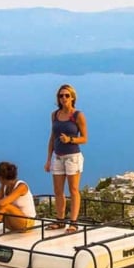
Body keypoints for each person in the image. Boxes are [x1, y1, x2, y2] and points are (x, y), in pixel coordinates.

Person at [45, 83, 87, 224]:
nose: (64, 98)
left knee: (73, 190)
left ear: (72, 97)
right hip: (57, 156)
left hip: (72, 157)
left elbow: (84, 138)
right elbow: (52, 137)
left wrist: (70, 139)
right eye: (61, 95)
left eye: (67, 95)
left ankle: (73, 222)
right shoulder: (55, 115)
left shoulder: (77, 115)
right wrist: (48, 159)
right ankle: (60, 220)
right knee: (58, 190)